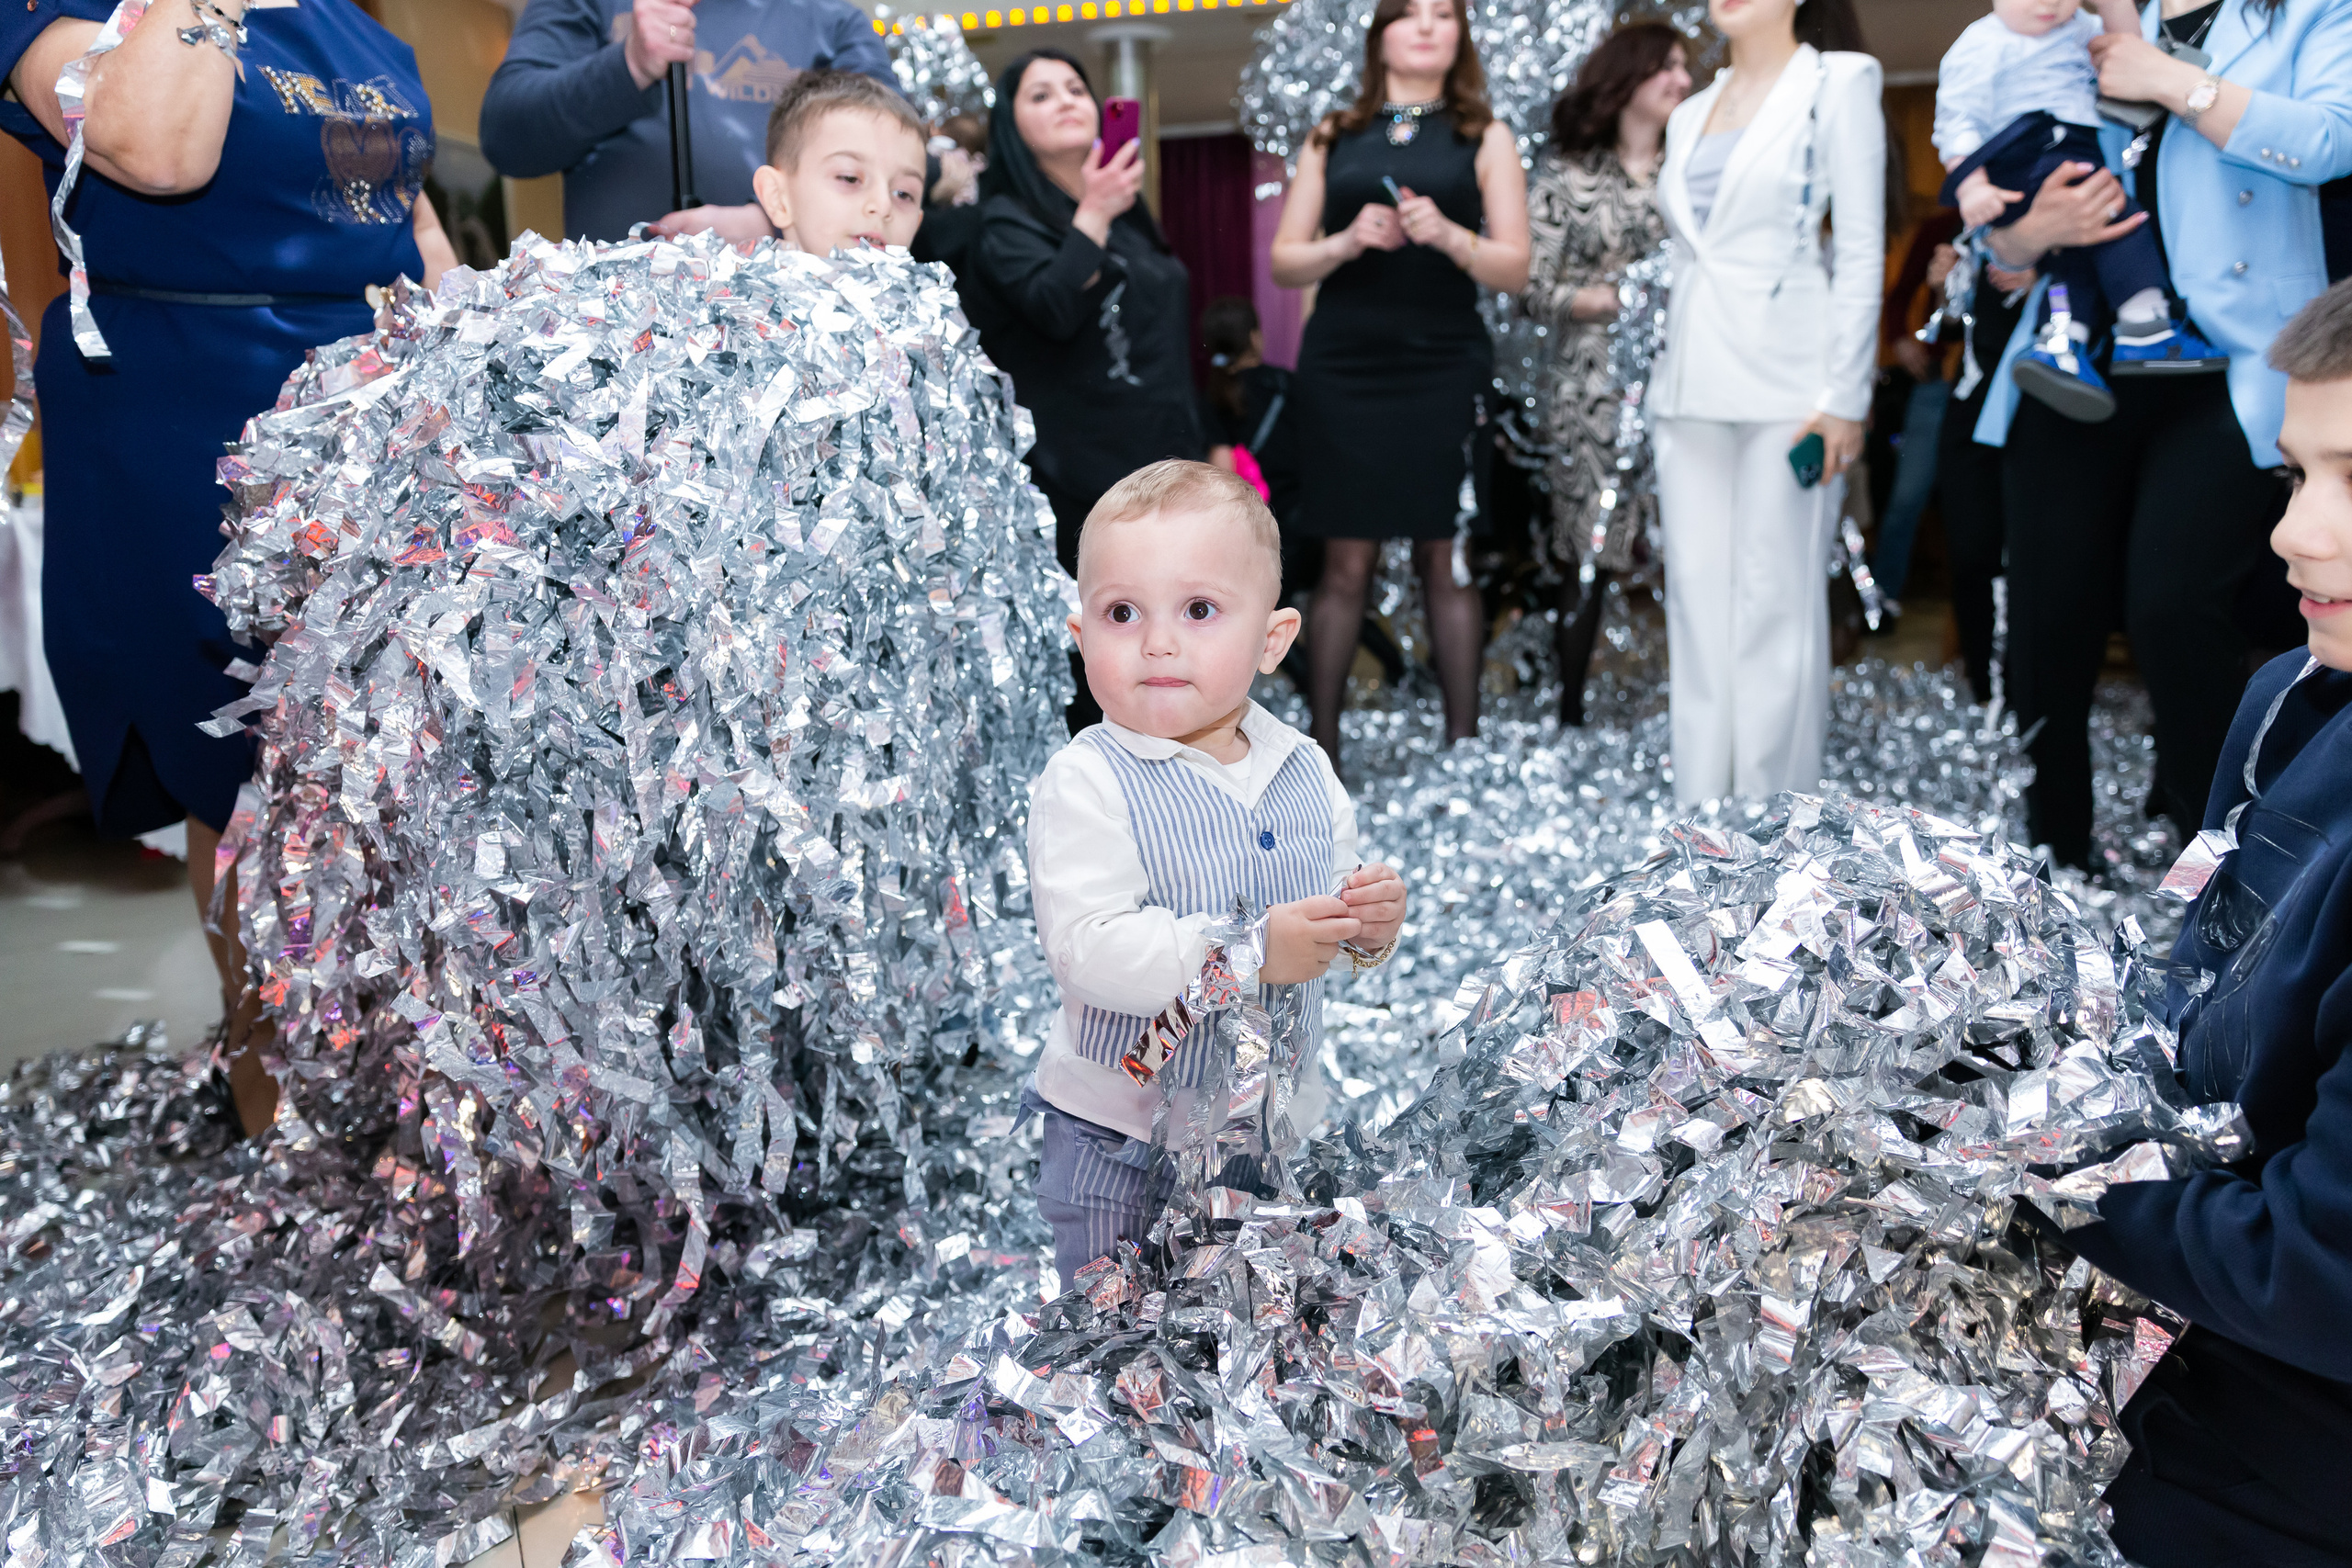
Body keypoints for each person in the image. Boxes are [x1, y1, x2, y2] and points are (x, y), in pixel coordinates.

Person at [1, 0, 454, 1136]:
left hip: (371, 423)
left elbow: (410, 223)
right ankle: (277, 1104)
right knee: (251, 783)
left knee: (376, 775)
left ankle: (391, 1081)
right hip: (195, 424)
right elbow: (161, 147)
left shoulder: (349, 23)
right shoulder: (66, 14)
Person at [2035, 276, 2352, 1566]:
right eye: (2292, 477)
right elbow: (2191, 975)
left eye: (2350, 476)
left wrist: (2036, 1177)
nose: (2296, 532)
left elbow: (2318, 1272)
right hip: (2175, 1319)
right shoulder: (2293, 695)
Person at [1973, 0, 2352, 869]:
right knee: (2046, 613)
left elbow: (2331, 140)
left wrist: (2169, 79)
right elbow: (1993, 210)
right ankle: (2055, 854)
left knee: (2174, 605)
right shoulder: (2064, 17)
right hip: (2074, 356)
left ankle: (2222, 860)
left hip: (2230, 360)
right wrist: (2027, 235)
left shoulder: (2310, 13)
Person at [1022, 459, 1407, 1282]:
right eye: (1123, 612)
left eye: (1198, 610)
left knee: (1236, 1329)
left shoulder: (1303, 766)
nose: (1158, 640)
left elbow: (1327, 910)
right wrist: (1249, 948)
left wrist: (1366, 925)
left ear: (1271, 640)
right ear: (1081, 636)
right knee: (1112, 1333)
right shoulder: (1089, 779)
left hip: (1265, 1133)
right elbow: (1088, 947)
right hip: (1118, 1140)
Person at [1271, 0, 1530, 763]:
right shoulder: (1335, 133)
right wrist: (1347, 241)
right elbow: (1287, 260)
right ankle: (1320, 755)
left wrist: (1449, 235)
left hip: (1444, 362)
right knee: (1345, 564)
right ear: (1378, 33)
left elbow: (1514, 266)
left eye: (1443, 14)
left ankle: (1463, 748)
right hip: (1345, 366)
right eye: (1407, 13)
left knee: (1443, 557)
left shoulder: (1485, 134)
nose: (1425, 25)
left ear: (1460, 36)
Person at [1648, 0, 1885, 804]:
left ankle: (1773, 823)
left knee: (1776, 602)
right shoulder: (1686, 114)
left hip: (1793, 387)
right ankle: (1701, 823)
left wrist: (1845, 397)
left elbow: (1858, 249)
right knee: (1696, 602)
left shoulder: (1838, 82)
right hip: (1686, 387)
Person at [960, 49, 1205, 731]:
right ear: (1010, 126)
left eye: (1075, 87)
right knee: (1108, 651)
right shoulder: (1005, 221)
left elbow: (1167, 338)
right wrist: (1092, 210)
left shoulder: (1127, 212)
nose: (1067, 99)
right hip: (1078, 473)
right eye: (1040, 95)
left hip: (1164, 456)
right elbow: (1054, 309)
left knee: (1176, 636)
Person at [1935, 0, 2225, 421]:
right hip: (2024, 152)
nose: (2049, 4)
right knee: (2115, 214)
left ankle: (2062, 338)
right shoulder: (1981, 43)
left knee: (2075, 252)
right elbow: (1957, 121)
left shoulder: (2078, 25)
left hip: (2072, 143)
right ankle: (2145, 323)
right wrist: (1973, 185)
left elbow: (2128, 48)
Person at [1521, 21, 1690, 728]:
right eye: (1668, 68)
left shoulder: (1700, 165)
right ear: (1628, 80)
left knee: (1698, 542)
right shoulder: (1568, 176)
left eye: (1686, 68)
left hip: (1693, 378)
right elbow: (1532, 283)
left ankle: (1701, 706)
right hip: (1590, 389)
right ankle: (1571, 710)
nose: (1683, 80)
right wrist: (1613, 299)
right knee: (1587, 552)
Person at [478, 0, 895, 245]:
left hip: (793, 334)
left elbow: (901, 168)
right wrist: (629, 65)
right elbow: (506, 136)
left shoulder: (832, 19)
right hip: (619, 342)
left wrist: (773, 224)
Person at [1930, 242, 2038, 703]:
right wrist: (1944, 285)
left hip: (2045, 396)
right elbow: (1952, 325)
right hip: (1974, 398)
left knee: (2037, 555)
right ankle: (1984, 689)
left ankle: (2035, 688)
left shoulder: (2068, 190)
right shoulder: (1977, 225)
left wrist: (2054, 280)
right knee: (1971, 550)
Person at [1868, 208, 1964, 625]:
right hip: (1938, 380)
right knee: (1907, 496)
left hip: (1995, 380)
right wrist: (1900, 340)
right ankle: (1881, 601)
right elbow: (1900, 295)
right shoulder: (1940, 227)